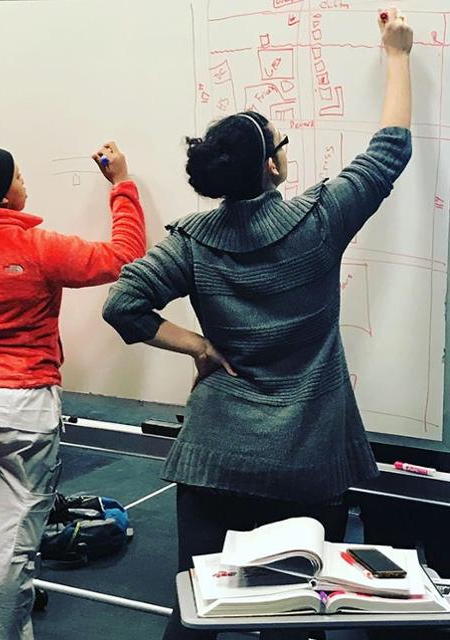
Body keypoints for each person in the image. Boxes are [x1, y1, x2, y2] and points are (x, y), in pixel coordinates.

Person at [103, 9, 412, 640]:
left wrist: (200, 347)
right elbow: (389, 151)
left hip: (214, 456)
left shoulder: (189, 242)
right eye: (282, 145)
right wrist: (398, 55)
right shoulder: (320, 220)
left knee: (198, 614)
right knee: (300, 618)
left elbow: (122, 305)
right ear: (271, 167)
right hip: (307, 456)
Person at [0, 125, 145, 640]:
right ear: (7, 193)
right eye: (22, 176)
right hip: (20, 414)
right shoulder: (39, 247)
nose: (26, 183)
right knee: (9, 553)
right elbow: (126, 257)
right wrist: (122, 184)